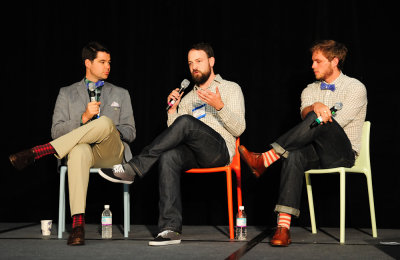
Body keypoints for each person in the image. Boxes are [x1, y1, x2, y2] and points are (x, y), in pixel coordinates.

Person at [98, 42, 246, 246]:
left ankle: (134, 167)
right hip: (193, 154)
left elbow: (239, 129)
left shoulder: (230, 88)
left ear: (211, 62)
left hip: (219, 151)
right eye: (190, 63)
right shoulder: (188, 97)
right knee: (168, 156)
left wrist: (219, 106)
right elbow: (175, 134)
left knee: (186, 122)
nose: (194, 67)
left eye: (199, 61)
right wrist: (172, 111)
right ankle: (170, 229)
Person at [238, 39, 367, 246]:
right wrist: (315, 105)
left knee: (322, 119)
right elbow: (304, 114)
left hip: (343, 153)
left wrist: (318, 111)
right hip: (315, 151)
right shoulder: (309, 89)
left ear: (334, 61)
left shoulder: (355, 87)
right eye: (312, 61)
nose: (312, 65)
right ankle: (283, 228)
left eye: (318, 61)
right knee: (294, 154)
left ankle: (266, 158)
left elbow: (334, 122)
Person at [9, 41, 136, 246]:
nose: (108, 66)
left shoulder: (121, 93)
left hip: (110, 152)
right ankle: (78, 226)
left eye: (109, 62)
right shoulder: (66, 93)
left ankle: (40, 151)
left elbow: (130, 132)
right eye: (102, 62)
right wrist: (83, 119)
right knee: (77, 151)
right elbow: (56, 131)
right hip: (83, 152)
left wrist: (107, 130)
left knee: (104, 122)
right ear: (88, 63)